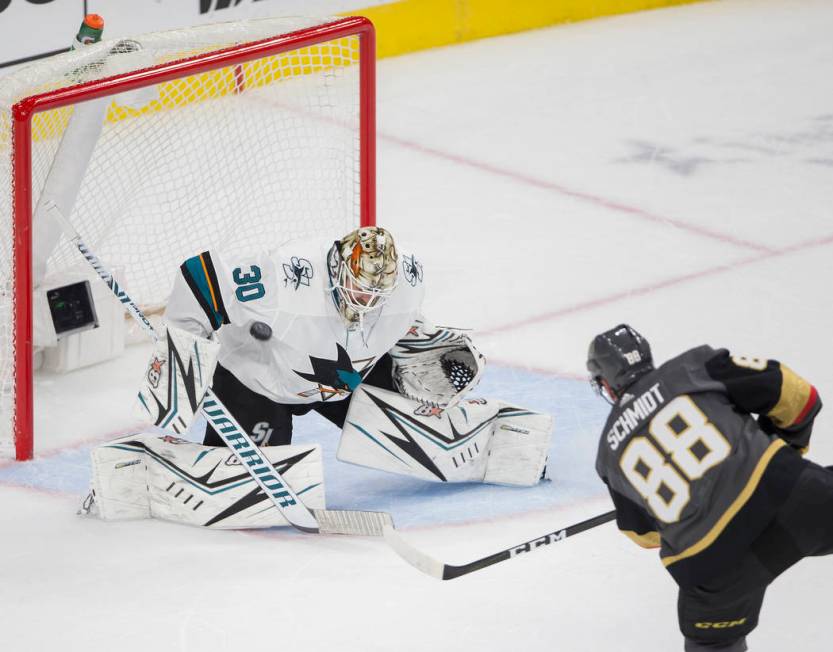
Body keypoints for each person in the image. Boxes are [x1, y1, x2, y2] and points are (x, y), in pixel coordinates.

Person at [587, 324, 831, 652]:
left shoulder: (608, 455)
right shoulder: (693, 368)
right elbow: (800, 397)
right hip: (789, 499)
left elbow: (644, 536)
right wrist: (786, 449)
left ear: (606, 383)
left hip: (715, 569)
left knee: (710, 644)